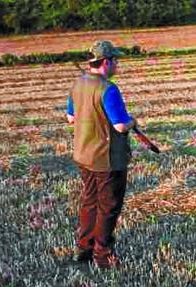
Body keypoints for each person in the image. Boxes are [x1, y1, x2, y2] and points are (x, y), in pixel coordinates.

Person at [66, 40, 136, 269]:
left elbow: (71, 118)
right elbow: (120, 126)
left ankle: (84, 248)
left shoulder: (78, 84)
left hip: (84, 155)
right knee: (108, 206)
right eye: (116, 60)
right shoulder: (108, 89)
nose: (118, 65)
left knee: (89, 202)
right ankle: (103, 256)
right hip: (106, 159)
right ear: (106, 62)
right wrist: (132, 121)